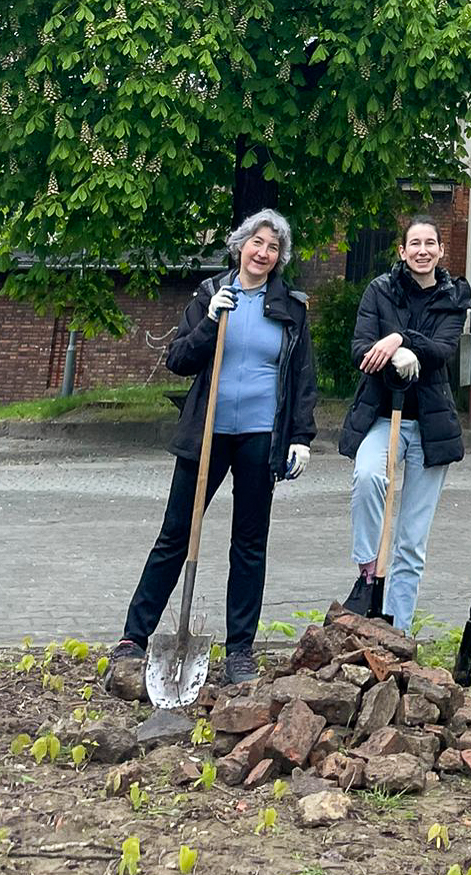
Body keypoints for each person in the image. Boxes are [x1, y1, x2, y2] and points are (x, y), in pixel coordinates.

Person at [107, 208, 317, 689]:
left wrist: (301, 438)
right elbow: (178, 359)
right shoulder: (209, 294)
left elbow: (304, 378)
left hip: (260, 437)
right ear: (240, 245)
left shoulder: (292, 307)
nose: (263, 253)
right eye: (256, 243)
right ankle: (133, 638)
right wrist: (209, 321)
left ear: (280, 257)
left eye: (273, 247)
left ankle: (239, 649)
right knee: (175, 535)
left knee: (249, 544)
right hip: (207, 434)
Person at [338, 215, 471, 632]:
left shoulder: (453, 297)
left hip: (429, 429)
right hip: (383, 415)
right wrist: (387, 351)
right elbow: (361, 347)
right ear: (402, 250)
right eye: (414, 243)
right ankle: (367, 568)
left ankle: (398, 630)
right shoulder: (380, 290)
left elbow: (443, 349)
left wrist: (399, 340)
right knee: (367, 477)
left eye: (430, 243)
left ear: (440, 250)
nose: (422, 250)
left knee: (411, 542)